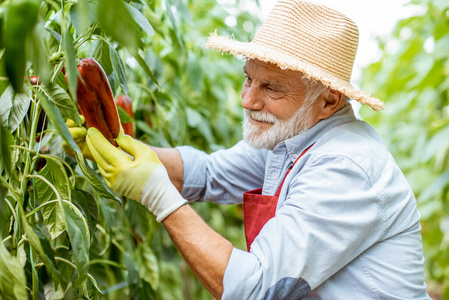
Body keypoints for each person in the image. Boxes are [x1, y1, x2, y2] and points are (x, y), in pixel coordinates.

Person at [66, 0, 431, 298]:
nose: (248, 100)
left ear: (328, 100)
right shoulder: (293, 135)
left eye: (272, 88)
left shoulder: (346, 167)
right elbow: (207, 173)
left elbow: (253, 289)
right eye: (248, 78)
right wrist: (117, 145)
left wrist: (156, 194)